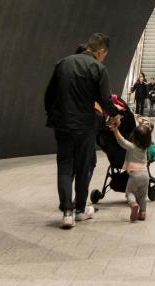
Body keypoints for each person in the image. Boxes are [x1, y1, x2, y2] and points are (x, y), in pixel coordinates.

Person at [45, 33, 119, 229]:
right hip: (85, 126)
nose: (104, 58)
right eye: (105, 54)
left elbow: (49, 95)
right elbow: (105, 99)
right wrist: (115, 115)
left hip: (63, 125)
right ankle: (80, 210)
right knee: (83, 166)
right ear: (101, 51)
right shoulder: (98, 68)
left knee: (64, 166)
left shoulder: (62, 63)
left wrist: (53, 115)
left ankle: (67, 212)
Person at [111, 121, 153, 222]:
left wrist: (116, 130)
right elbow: (147, 134)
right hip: (145, 175)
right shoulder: (145, 148)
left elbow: (122, 141)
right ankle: (142, 213)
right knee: (143, 196)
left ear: (135, 139)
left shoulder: (132, 147)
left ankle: (134, 204)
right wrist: (144, 124)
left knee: (129, 192)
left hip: (135, 175)